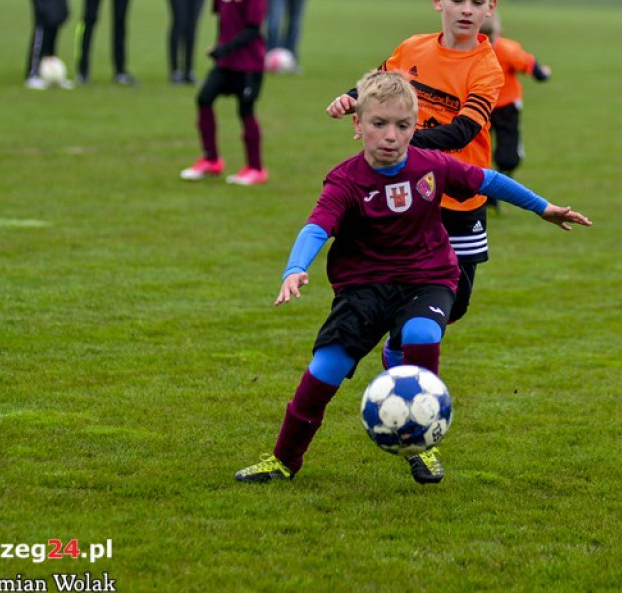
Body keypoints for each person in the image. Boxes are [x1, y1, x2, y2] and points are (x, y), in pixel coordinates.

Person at [235, 70, 592, 485]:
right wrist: (295, 268)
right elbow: (317, 227)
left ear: (415, 125)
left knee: (422, 334)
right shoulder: (345, 179)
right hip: (363, 288)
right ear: (357, 124)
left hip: (427, 278)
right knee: (325, 368)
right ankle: (284, 460)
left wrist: (542, 207)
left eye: (403, 126)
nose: (391, 136)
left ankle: (423, 441)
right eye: (379, 123)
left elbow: (488, 180)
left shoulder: (431, 165)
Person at [326, 0, 503, 340]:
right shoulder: (413, 48)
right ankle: (399, 346)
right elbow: (376, 85)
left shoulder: (486, 67)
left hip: (461, 197)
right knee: (405, 282)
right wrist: (350, 98)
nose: (466, 10)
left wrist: (405, 141)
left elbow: (463, 131)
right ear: (438, 0)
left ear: (490, 7)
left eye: (476, 2)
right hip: (411, 190)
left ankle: (403, 344)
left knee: (456, 302)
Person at [179, 0, 269, 186]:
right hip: (226, 62)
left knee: (245, 110)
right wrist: (220, 49)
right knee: (204, 99)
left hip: (249, 64)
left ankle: (255, 168)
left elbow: (253, 29)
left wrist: (223, 48)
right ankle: (211, 159)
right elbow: (223, 21)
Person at [479, 10, 551, 205]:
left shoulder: (470, 49)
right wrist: (543, 74)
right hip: (495, 106)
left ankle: (489, 190)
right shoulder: (506, 49)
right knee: (507, 155)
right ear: (498, 31)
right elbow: (530, 64)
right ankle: (492, 189)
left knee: (483, 151)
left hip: (489, 106)